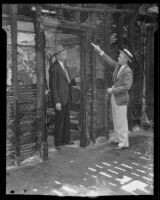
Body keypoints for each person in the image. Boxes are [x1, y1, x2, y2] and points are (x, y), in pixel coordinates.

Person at [92, 44, 133, 150]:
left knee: (121, 121)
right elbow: (109, 61)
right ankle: (118, 139)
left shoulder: (127, 71)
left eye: (120, 56)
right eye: (119, 56)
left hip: (121, 98)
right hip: (115, 97)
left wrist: (113, 90)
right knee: (115, 119)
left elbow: (127, 87)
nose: (118, 57)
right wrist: (100, 51)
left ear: (125, 59)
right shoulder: (118, 66)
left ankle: (124, 142)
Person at [49, 44, 77, 150]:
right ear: (58, 55)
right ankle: (58, 143)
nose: (66, 55)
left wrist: (73, 81)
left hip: (66, 98)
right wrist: (56, 101)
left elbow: (67, 81)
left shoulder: (63, 65)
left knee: (66, 120)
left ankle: (66, 140)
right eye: (64, 53)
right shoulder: (54, 67)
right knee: (59, 121)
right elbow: (53, 86)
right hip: (60, 99)